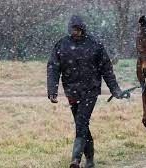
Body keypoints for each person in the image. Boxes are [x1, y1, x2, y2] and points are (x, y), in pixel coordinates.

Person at [47, 15, 130, 168]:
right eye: (73, 29)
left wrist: (115, 90)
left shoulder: (95, 45)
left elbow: (107, 69)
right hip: (71, 92)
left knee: (81, 123)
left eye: (78, 29)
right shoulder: (62, 45)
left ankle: (75, 160)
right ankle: (90, 160)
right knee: (83, 125)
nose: (75, 32)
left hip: (90, 91)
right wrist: (52, 90)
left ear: (83, 29)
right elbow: (53, 68)